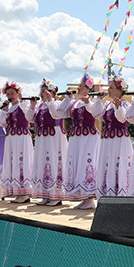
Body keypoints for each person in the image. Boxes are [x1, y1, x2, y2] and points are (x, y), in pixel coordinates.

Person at [58, 73, 102, 209]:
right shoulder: (74, 103)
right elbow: (59, 113)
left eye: (80, 85)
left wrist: (88, 102)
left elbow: (95, 112)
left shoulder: (92, 101)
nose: (77, 87)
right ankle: (83, 198)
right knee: (77, 164)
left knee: (86, 163)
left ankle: (90, 199)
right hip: (76, 138)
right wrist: (67, 98)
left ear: (87, 87)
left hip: (88, 137)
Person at [0, 81, 34, 203]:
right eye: (8, 94)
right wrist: (4, 109)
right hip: (11, 138)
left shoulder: (23, 105)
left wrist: (21, 100)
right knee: (13, 162)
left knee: (22, 161)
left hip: (22, 137)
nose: (10, 96)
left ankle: (25, 193)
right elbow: (1, 122)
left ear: (18, 93)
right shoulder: (8, 109)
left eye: (12, 93)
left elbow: (28, 113)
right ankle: (17, 192)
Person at [95, 74, 134, 199]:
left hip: (119, 140)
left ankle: (120, 194)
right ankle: (107, 193)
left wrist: (118, 107)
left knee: (118, 164)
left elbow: (122, 119)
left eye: (111, 87)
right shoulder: (107, 105)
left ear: (119, 90)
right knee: (107, 164)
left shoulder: (125, 104)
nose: (108, 90)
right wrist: (98, 101)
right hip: (107, 140)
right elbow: (98, 115)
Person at [31, 78, 68, 206]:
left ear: (52, 92)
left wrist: (50, 100)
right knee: (42, 162)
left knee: (54, 161)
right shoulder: (40, 106)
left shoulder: (57, 103)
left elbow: (55, 114)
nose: (43, 94)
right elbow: (30, 118)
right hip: (42, 138)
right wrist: (32, 106)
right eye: (42, 91)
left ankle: (56, 195)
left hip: (54, 136)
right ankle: (45, 194)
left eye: (46, 91)